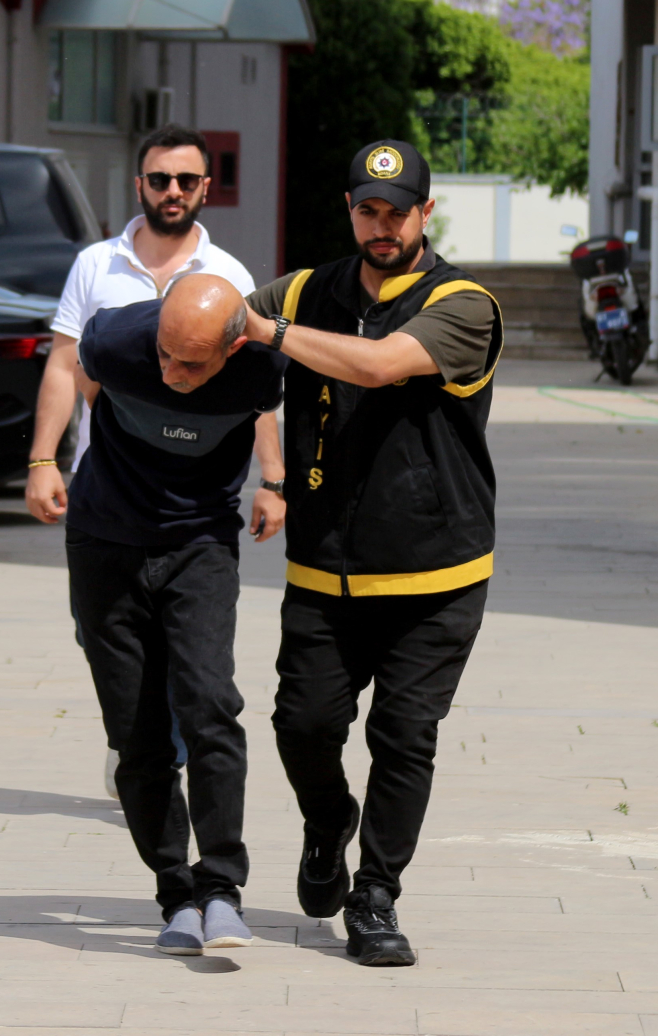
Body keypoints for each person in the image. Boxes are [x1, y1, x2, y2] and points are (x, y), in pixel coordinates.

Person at [245, 139, 503, 966]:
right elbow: (221, 324)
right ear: (350, 211)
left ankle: (376, 895)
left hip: (437, 569)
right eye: (369, 210)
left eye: (398, 212)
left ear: (427, 212)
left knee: (404, 734)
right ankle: (328, 821)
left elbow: (382, 364)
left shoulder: (463, 303)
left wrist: (267, 331)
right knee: (302, 725)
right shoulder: (305, 291)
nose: (382, 226)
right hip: (325, 565)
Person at [25, 123, 277, 794]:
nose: (173, 191)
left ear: (205, 188)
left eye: (186, 180)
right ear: (140, 184)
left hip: (193, 500)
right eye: (160, 179)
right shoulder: (95, 265)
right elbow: (64, 364)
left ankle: (154, 751)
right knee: (95, 631)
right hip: (105, 490)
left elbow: (253, 393)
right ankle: (138, 732)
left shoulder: (229, 277)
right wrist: (43, 460)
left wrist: (273, 480)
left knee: (182, 638)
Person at [62, 274, 287, 954]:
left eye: (191, 364)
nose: (171, 373)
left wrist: (274, 482)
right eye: (164, 355)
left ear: (231, 348)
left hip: (201, 544)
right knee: (136, 734)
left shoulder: (261, 367)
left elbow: (263, 412)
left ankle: (221, 890)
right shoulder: (113, 339)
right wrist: (47, 458)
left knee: (209, 703)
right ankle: (175, 896)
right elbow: (80, 376)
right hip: (104, 541)